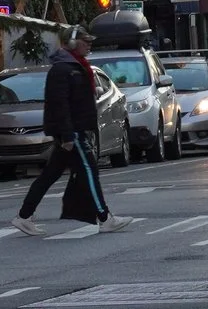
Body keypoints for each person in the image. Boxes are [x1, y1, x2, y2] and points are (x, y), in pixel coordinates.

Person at [12, 28, 136, 236]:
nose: (89, 45)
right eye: (84, 41)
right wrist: (67, 134)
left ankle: (24, 216)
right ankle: (104, 218)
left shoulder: (77, 67)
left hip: (75, 130)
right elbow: (59, 104)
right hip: (73, 132)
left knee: (50, 175)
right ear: (70, 43)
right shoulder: (62, 70)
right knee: (90, 171)